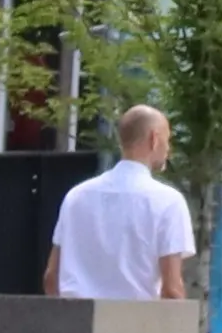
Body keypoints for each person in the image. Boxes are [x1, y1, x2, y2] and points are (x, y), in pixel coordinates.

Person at [48, 104, 199, 302]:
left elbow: (52, 277)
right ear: (154, 139)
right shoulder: (168, 202)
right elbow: (171, 290)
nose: (168, 148)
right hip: (136, 324)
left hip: (76, 324)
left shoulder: (76, 196)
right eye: (167, 139)